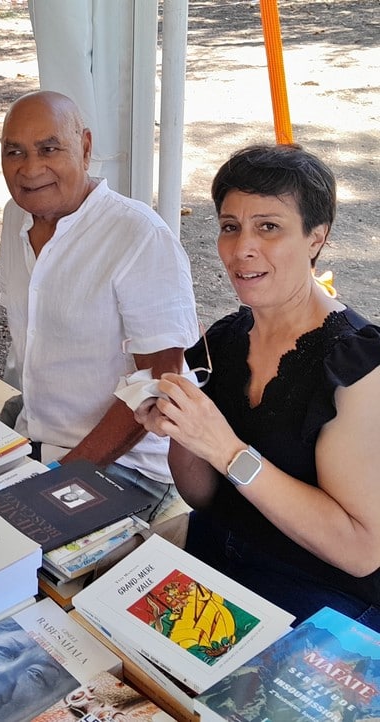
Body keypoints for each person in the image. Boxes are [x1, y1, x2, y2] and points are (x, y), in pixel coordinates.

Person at [135, 145, 380, 629]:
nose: (242, 248)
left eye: (268, 226)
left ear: (316, 237)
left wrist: (226, 449)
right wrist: (183, 433)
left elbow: (360, 550)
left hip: (322, 596)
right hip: (217, 561)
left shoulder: (357, 367)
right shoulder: (224, 340)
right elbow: (204, 497)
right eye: (231, 226)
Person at [0, 90, 197, 515]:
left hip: (126, 465)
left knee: (10, 551)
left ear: (86, 148)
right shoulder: (14, 217)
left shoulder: (138, 236)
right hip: (36, 434)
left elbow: (159, 383)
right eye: (15, 152)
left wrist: (60, 475)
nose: (31, 169)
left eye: (49, 149)